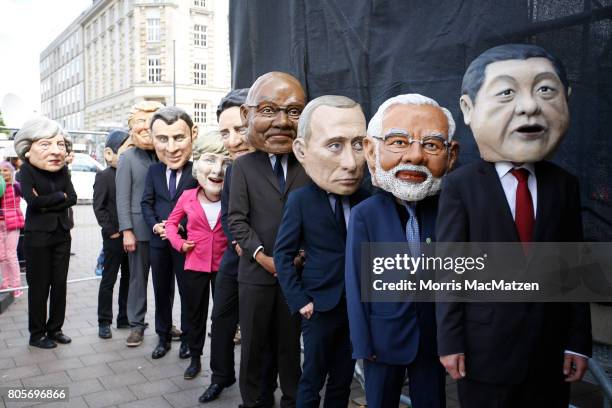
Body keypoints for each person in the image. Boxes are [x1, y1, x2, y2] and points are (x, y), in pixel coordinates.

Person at [436, 43, 592, 408]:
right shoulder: (461, 186)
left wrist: (577, 343)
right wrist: (450, 342)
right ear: (468, 109)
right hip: (484, 350)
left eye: (545, 90)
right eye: (507, 92)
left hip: (549, 351)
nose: (529, 106)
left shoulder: (564, 184)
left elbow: (576, 268)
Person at [346, 94, 459, 408]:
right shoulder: (365, 214)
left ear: (451, 155)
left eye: (432, 145)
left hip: (432, 339)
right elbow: (356, 284)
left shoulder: (448, 211)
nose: (415, 156)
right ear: (372, 150)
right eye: (398, 141)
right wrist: (362, 343)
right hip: (382, 340)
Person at [274, 95, 370, 407]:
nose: (351, 162)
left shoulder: (367, 198)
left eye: (358, 145)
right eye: (334, 145)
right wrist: (300, 300)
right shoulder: (301, 200)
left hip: (355, 306)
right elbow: (283, 254)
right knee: (312, 376)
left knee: (343, 378)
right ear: (302, 150)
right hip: (319, 306)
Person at [228, 72, 310, 408]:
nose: (281, 122)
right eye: (269, 110)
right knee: (254, 346)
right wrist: (262, 256)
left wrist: (301, 253)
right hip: (255, 276)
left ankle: (292, 399)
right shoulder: (242, 167)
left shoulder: (309, 166)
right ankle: (255, 401)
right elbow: (236, 220)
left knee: (290, 346)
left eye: (292, 113)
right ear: (248, 115)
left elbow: (316, 219)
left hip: (296, 275)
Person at [200, 88, 259, 403]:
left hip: (267, 264)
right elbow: (227, 214)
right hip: (235, 260)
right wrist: (237, 242)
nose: (233, 140)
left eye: (240, 129)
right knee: (221, 320)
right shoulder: (233, 168)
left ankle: (259, 385)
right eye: (225, 132)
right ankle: (220, 377)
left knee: (257, 329)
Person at [165, 132, 230, 382]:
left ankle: (220, 367)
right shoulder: (187, 197)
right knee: (195, 316)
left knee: (221, 318)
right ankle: (194, 358)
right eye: (212, 161)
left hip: (224, 267)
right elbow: (171, 225)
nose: (218, 170)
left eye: (225, 163)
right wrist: (180, 244)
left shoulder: (233, 195)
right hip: (194, 264)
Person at [141, 106, 198, 364]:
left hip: (185, 244)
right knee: (161, 291)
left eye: (178, 138)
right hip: (159, 243)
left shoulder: (196, 172)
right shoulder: (153, 172)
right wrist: (156, 225)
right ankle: (163, 338)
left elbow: (200, 203)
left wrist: (179, 226)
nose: (172, 147)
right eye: (163, 139)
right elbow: (146, 203)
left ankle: (188, 340)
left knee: (188, 293)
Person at [14, 116, 77, 349]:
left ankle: (55, 328)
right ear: (27, 149)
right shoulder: (27, 171)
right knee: (39, 286)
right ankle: (37, 334)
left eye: (60, 144)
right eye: (46, 144)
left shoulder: (63, 171)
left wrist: (51, 200)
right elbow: (32, 201)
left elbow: (71, 197)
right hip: (38, 236)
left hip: (62, 234)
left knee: (59, 284)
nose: (56, 150)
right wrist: (57, 198)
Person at [116, 100, 164, 347]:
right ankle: (136, 325)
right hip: (139, 231)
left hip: (165, 230)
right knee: (137, 281)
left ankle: (165, 324)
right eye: (140, 122)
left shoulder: (164, 154)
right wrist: (127, 231)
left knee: (165, 281)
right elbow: (121, 197)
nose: (146, 127)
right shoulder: (127, 158)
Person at [93, 129, 134, 339]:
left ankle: (124, 317)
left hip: (132, 237)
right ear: (111, 153)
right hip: (114, 238)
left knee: (129, 277)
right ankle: (104, 321)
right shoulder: (104, 176)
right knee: (109, 279)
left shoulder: (132, 174)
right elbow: (99, 208)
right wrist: (112, 232)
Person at [0, 161, 25, 297]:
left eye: (5, 170)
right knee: (2, 256)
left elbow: (30, 196)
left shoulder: (16, 186)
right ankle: (5, 284)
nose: (3, 173)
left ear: (11, 172)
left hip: (13, 224)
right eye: (0, 171)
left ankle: (16, 286)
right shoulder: (0, 187)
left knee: (10, 255)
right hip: (0, 225)